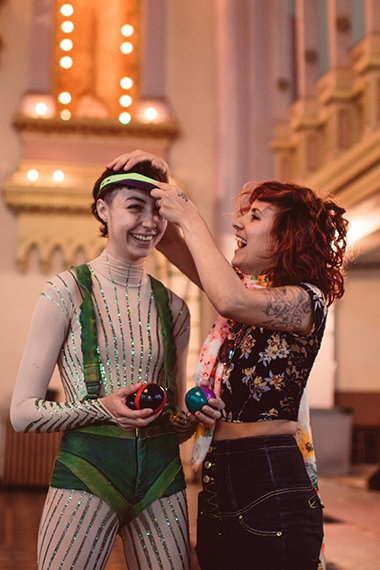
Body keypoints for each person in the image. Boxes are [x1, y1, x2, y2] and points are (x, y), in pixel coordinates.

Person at [107, 150, 349, 570]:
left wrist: (191, 215)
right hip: (222, 475)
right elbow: (169, 241)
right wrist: (158, 180)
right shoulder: (249, 293)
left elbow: (229, 299)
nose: (238, 223)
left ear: (286, 236)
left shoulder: (305, 301)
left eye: (255, 217)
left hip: (270, 474)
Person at [10, 160, 222, 570]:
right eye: (135, 207)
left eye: (158, 211)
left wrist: (196, 418)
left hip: (162, 482)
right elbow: (22, 415)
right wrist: (102, 409)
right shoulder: (65, 292)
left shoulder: (174, 308)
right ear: (103, 209)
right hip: (86, 474)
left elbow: (171, 423)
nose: (149, 222)